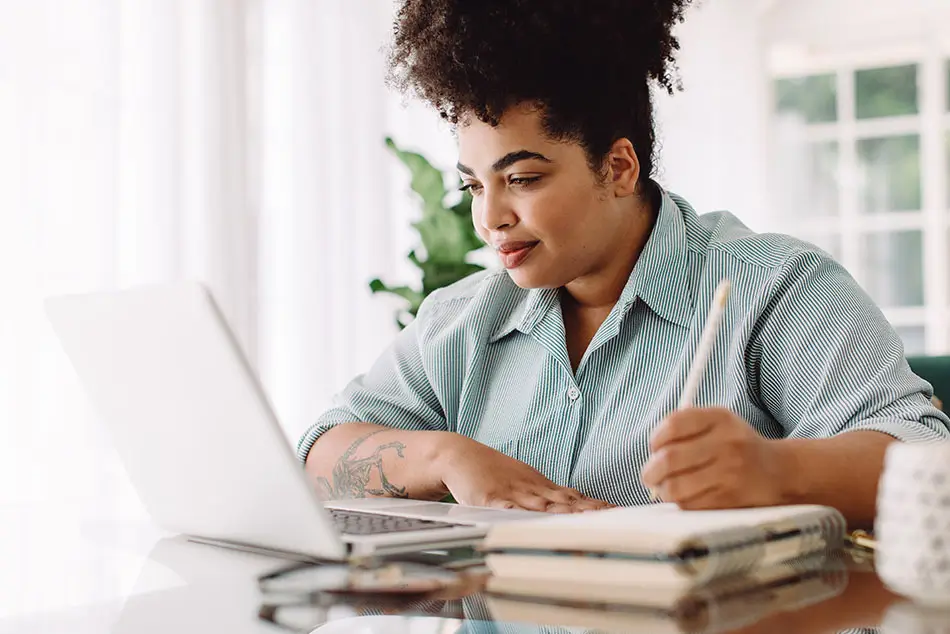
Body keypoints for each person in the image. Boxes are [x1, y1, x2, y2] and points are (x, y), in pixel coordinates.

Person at [298, 0, 950, 527]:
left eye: (521, 178)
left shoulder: (775, 289)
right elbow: (317, 457)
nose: (489, 217)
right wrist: (445, 455)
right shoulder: (458, 323)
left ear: (617, 167)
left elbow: (926, 463)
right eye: (473, 185)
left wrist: (775, 470)